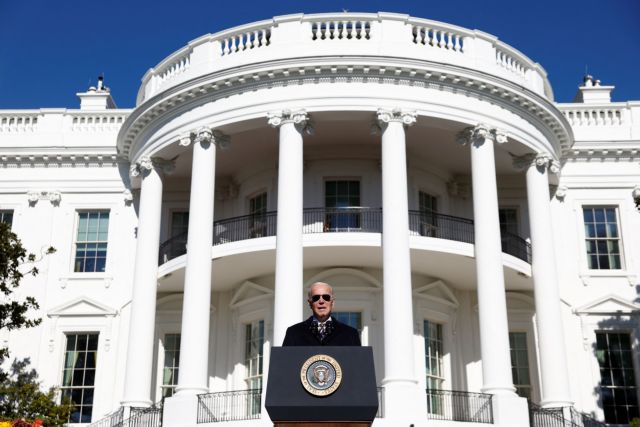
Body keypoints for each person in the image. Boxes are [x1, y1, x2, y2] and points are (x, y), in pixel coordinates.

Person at [282, 282, 361, 346]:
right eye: (316, 298)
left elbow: (358, 360)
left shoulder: (351, 334)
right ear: (310, 303)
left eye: (326, 297)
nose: (321, 301)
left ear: (332, 303)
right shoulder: (293, 333)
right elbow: (285, 360)